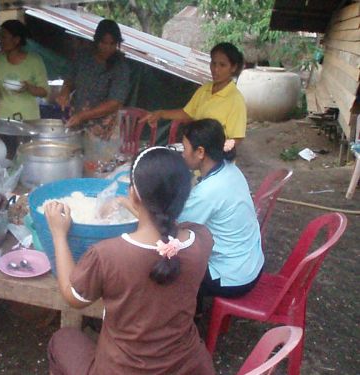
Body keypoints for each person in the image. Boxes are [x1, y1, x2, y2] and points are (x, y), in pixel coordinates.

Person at [45, 147, 215, 375]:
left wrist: (58, 233)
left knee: (63, 340)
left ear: (134, 194)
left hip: (123, 370)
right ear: (185, 196)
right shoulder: (201, 239)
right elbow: (167, 231)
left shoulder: (107, 255)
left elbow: (72, 296)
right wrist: (139, 209)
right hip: (187, 366)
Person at [179, 119, 264, 312]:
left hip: (233, 278)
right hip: (251, 264)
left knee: (171, 263)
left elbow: (172, 227)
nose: (183, 154)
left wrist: (133, 206)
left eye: (184, 148)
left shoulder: (208, 192)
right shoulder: (230, 169)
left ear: (200, 152)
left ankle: (184, 324)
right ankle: (195, 311)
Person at [56, 19, 131, 173]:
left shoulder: (121, 67)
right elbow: (70, 79)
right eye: (104, 43)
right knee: (74, 167)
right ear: (96, 41)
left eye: (112, 44)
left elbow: (115, 102)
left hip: (104, 132)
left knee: (98, 172)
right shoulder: (83, 57)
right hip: (77, 124)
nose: (108, 48)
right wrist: (65, 92)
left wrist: (84, 115)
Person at [142, 42, 246, 144]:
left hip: (216, 157)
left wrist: (215, 152)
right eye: (213, 63)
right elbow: (188, 113)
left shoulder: (235, 100)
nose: (215, 69)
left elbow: (236, 138)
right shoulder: (205, 89)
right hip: (197, 151)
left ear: (233, 67)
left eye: (222, 65)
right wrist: (161, 114)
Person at [0, 19, 49, 120]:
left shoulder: (34, 60)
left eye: (4, 37)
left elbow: (44, 92)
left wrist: (28, 87)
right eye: (0, 37)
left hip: (29, 118)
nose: (0, 41)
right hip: (4, 117)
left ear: (16, 40)